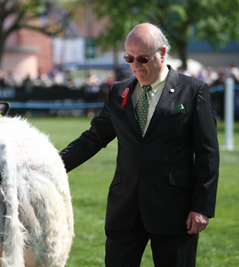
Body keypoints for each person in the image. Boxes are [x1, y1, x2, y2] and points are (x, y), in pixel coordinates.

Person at [59, 23, 219, 266]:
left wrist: (202, 207)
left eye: (142, 58)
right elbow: (93, 138)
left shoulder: (193, 91)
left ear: (162, 53)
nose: (135, 65)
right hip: (124, 209)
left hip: (174, 211)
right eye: (129, 58)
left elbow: (208, 154)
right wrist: (53, 165)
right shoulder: (117, 92)